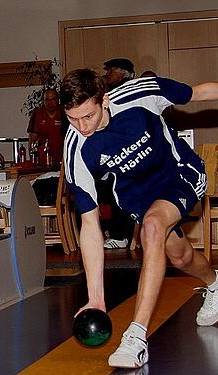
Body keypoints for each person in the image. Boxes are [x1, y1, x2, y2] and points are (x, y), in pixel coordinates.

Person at [60, 68, 218, 368]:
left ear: (105, 100)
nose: (82, 127)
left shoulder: (143, 95)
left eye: (88, 116)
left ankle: (136, 337)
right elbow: (89, 224)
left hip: (179, 174)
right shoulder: (76, 149)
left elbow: (202, 91)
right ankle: (217, 283)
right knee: (180, 256)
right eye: (72, 119)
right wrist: (96, 298)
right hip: (139, 197)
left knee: (152, 228)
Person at [99, 58, 138, 248]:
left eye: (111, 70)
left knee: (117, 188)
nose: (107, 74)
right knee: (107, 187)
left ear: (123, 73)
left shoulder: (124, 92)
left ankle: (121, 235)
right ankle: (116, 231)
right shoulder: (110, 92)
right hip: (115, 150)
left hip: (129, 150)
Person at [27, 88, 67, 167]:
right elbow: (32, 139)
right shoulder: (37, 114)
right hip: (42, 160)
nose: (50, 103)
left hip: (62, 159)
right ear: (43, 101)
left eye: (53, 99)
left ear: (58, 100)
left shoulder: (64, 113)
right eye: (47, 100)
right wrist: (33, 158)